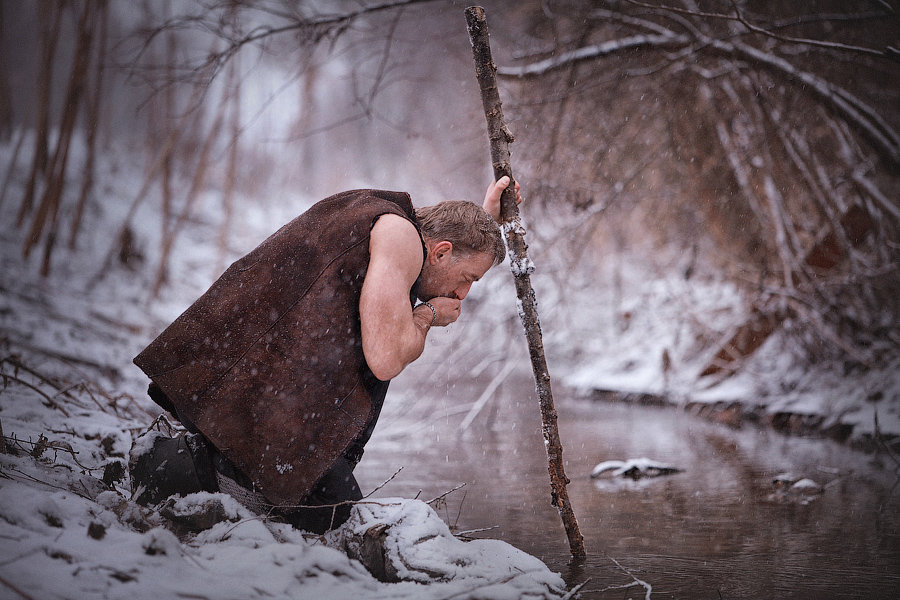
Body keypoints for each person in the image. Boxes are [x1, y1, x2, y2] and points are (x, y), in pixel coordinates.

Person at [130, 177, 521, 533]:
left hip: (229, 377)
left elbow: (451, 251)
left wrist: (485, 220)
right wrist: (426, 315)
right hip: (240, 390)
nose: (462, 294)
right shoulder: (400, 238)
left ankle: (219, 459)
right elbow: (384, 358)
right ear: (440, 252)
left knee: (329, 498)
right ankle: (185, 466)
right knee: (331, 508)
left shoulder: (398, 226)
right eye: (468, 279)